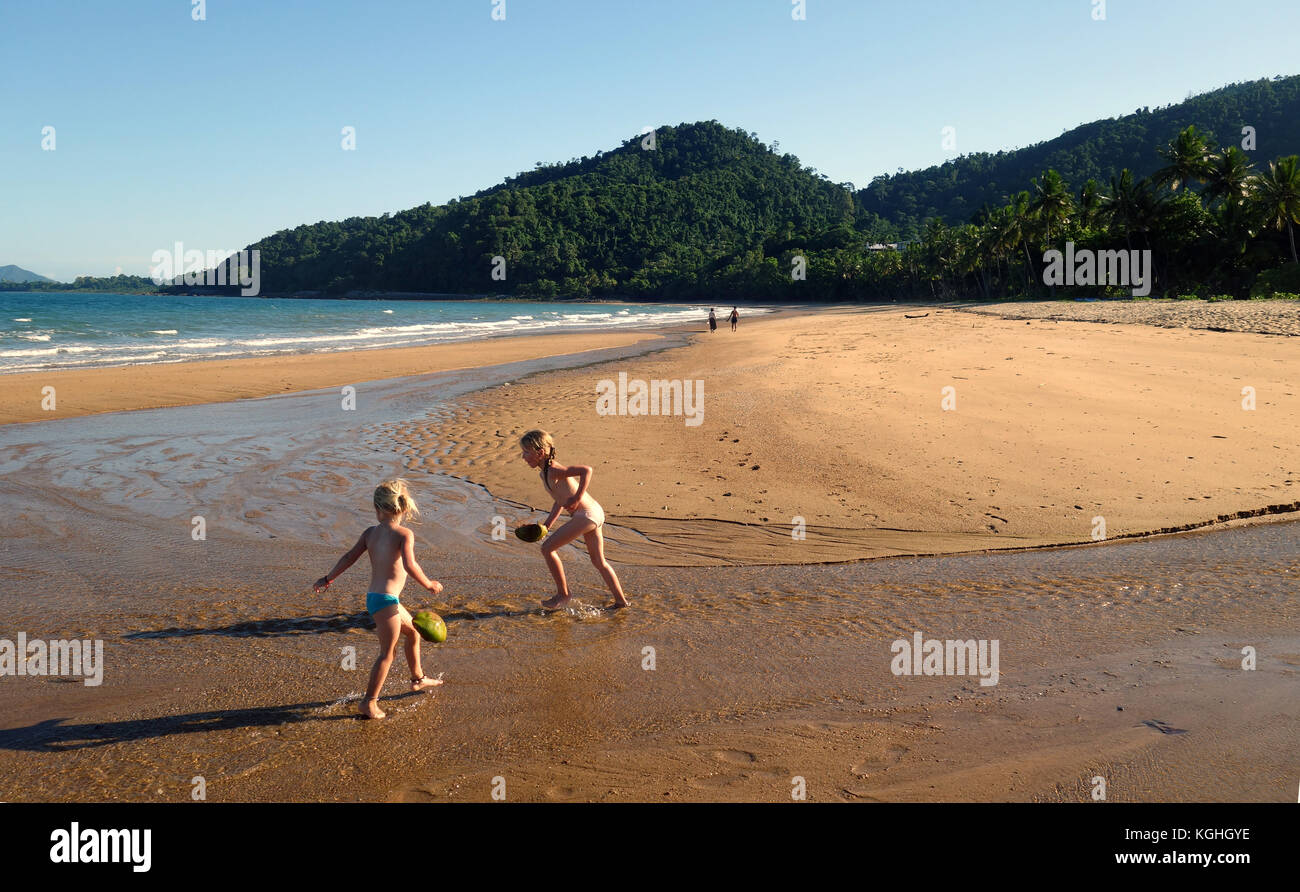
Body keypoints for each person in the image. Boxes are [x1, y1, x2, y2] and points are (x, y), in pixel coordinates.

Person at [313, 479, 443, 719]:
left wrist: (328, 578)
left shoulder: (370, 533)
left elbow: (349, 557)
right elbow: (410, 564)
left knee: (413, 632)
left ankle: (418, 678)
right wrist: (429, 584)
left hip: (379, 599)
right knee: (387, 654)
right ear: (403, 508)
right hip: (386, 602)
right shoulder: (404, 533)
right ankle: (369, 702)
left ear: (377, 508)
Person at [518, 429, 629, 610]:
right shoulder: (544, 473)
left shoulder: (553, 469)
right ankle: (621, 602)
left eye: (526, 452)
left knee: (547, 549)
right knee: (599, 562)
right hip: (593, 513)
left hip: (586, 515)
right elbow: (559, 501)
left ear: (540, 453)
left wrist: (577, 498)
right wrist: (546, 526)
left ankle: (564, 594)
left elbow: (586, 471)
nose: (523, 456)